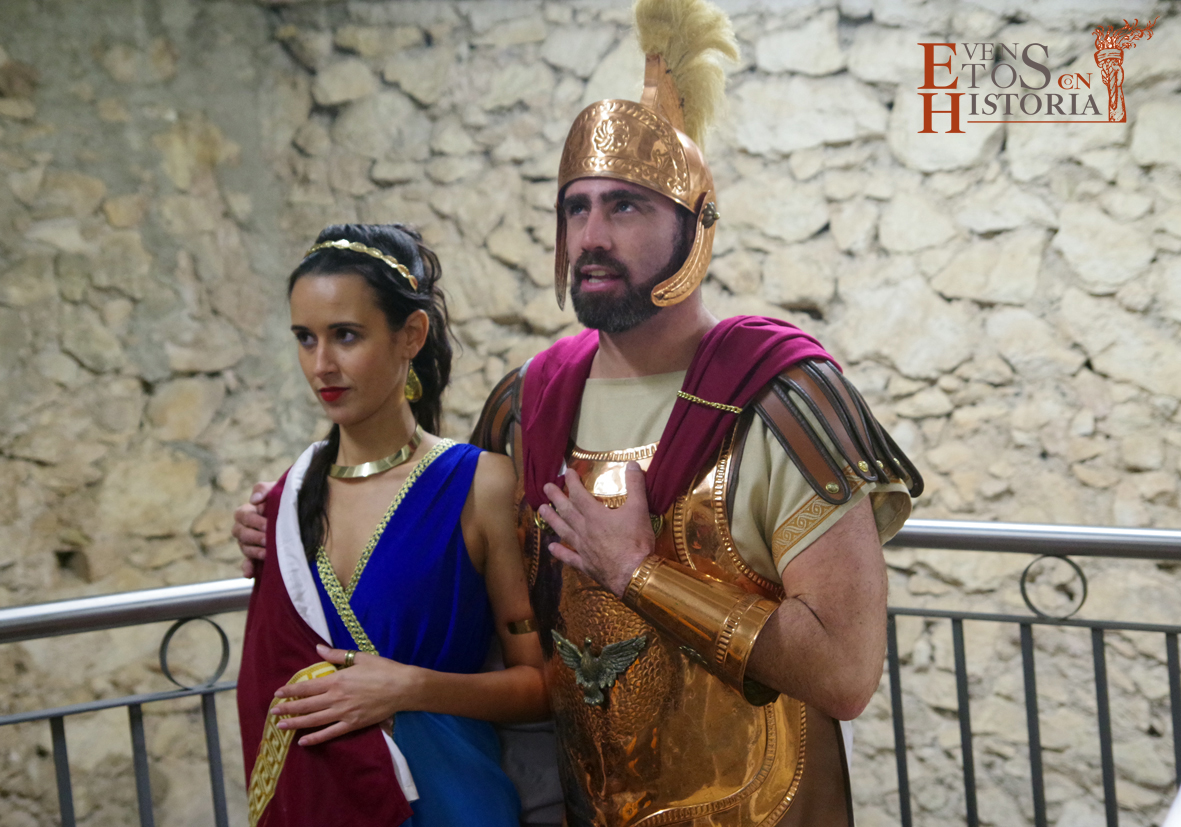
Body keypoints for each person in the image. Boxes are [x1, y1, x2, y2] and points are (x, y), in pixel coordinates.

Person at [237, 1, 924, 823]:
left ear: (694, 226)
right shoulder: (528, 405)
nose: (591, 235)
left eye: (625, 206)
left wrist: (638, 571)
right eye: (576, 207)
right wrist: (296, 529)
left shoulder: (780, 400)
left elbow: (844, 675)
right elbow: (447, 578)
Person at [235, 223, 548, 827]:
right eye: (305, 338)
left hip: (454, 801)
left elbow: (539, 685)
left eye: (346, 335)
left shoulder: (479, 484)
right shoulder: (287, 503)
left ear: (411, 335)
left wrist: (409, 688)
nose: (321, 365)